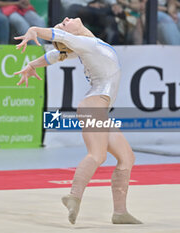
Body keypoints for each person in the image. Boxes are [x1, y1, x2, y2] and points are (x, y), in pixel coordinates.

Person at [13, 17, 142, 225]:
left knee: (127, 157)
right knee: (97, 155)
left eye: (64, 21)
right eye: (64, 24)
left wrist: (32, 65)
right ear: (70, 35)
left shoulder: (84, 46)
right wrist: (34, 30)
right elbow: (59, 40)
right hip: (94, 106)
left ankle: (120, 212)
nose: (65, 19)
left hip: (99, 108)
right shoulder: (84, 43)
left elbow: (56, 55)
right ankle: (73, 196)